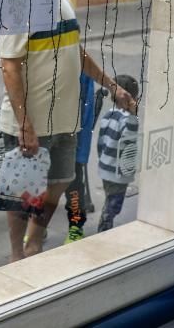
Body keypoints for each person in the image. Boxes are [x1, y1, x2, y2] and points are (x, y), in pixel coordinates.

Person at [0, 0, 136, 262]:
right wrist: (24, 123)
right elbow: (9, 66)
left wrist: (112, 85)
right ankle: (17, 257)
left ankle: (33, 242)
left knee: (60, 182)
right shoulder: (18, 5)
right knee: (23, 194)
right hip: (31, 125)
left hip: (65, 121)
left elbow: (76, 51)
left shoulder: (63, 0)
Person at [97, 74, 140, 232]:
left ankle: (106, 219)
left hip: (105, 167)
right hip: (118, 172)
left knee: (110, 197)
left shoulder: (108, 115)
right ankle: (105, 225)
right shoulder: (129, 119)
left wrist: (103, 159)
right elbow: (130, 141)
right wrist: (134, 114)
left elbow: (100, 142)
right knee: (115, 203)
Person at [63, 73, 96, 243]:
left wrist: (81, 150)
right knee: (42, 186)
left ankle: (76, 226)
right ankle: (39, 225)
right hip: (48, 139)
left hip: (73, 141)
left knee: (74, 186)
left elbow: (87, 111)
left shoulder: (81, 71)